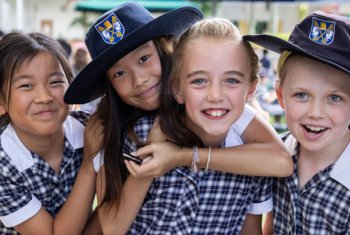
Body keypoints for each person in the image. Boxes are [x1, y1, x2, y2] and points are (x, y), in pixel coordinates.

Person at [64, 2, 292, 234]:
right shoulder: (116, 131)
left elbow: (280, 162)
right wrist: (152, 152)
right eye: (119, 73)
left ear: (165, 50)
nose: (139, 79)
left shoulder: (224, 111)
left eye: (144, 59)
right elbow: (112, 226)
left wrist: (181, 157)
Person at [245, 11, 350, 234]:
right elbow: (270, 226)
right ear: (281, 96)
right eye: (301, 95)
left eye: (335, 98)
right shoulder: (275, 152)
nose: (315, 113)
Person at [0, 32, 98, 234]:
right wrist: (89, 165)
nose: (44, 97)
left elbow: (110, 210)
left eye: (55, 82)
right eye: (26, 85)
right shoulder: (4, 163)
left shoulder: (91, 129)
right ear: (1, 102)